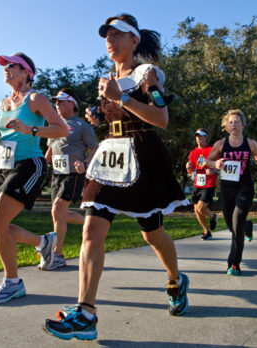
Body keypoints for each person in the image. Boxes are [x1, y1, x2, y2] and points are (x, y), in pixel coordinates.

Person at [44, 14, 190, 341]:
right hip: (111, 155)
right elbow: (114, 117)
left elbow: (161, 117)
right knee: (92, 230)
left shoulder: (147, 74)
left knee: (152, 235)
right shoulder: (107, 78)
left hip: (143, 155)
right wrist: (98, 114)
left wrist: (121, 97)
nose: (109, 41)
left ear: (134, 41)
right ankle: (85, 312)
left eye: (116, 35)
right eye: (106, 36)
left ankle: (176, 279)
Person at [0, 53, 69, 304]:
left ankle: (13, 283)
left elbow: (61, 129)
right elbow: (8, 138)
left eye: (12, 66)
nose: (6, 70)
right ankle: (44, 242)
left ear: (27, 71)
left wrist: (32, 129)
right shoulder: (3, 103)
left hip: (29, 165)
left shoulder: (35, 98)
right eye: (5, 67)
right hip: (4, 166)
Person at [44, 88, 99, 270]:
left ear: (72, 103)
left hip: (74, 174)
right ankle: (89, 221)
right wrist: (41, 166)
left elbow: (95, 147)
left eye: (61, 101)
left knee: (58, 209)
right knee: (59, 213)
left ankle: (57, 254)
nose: (57, 104)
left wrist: (85, 162)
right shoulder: (54, 125)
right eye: (56, 102)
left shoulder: (82, 126)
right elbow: (51, 149)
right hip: (57, 174)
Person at [207, 109, 257, 276]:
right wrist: (216, 164)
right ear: (226, 125)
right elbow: (209, 161)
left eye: (236, 122)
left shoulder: (251, 143)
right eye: (230, 122)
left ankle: (233, 263)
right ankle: (248, 226)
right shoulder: (220, 144)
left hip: (244, 186)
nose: (233, 125)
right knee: (232, 225)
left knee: (237, 221)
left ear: (242, 125)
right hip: (226, 188)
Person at [186, 128, 218, 240]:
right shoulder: (193, 152)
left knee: (201, 208)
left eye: (201, 136)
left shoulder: (212, 150)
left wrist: (213, 170)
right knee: (196, 210)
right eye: (197, 136)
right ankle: (207, 231)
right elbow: (191, 170)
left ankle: (212, 216)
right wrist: (188, 168)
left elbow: (219, 166)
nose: (199, 138)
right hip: (197, 183)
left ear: (206, 137)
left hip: (209, 183)